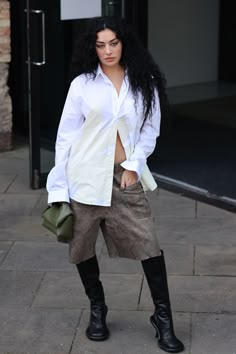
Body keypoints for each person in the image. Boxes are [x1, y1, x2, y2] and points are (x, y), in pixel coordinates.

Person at [46, 16, 184, 353]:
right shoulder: (82, 84)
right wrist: (58, 189)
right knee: (81, 247)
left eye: (113, 43)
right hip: (84, 176)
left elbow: (150, 130)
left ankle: (162, 317)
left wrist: (134, 166)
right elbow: (65, 139)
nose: (107, 50)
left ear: (124, 43)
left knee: (148, 245)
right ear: (92, 48)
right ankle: (98, 308)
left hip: (124, 177)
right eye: (100, 44)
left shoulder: (143, 80)